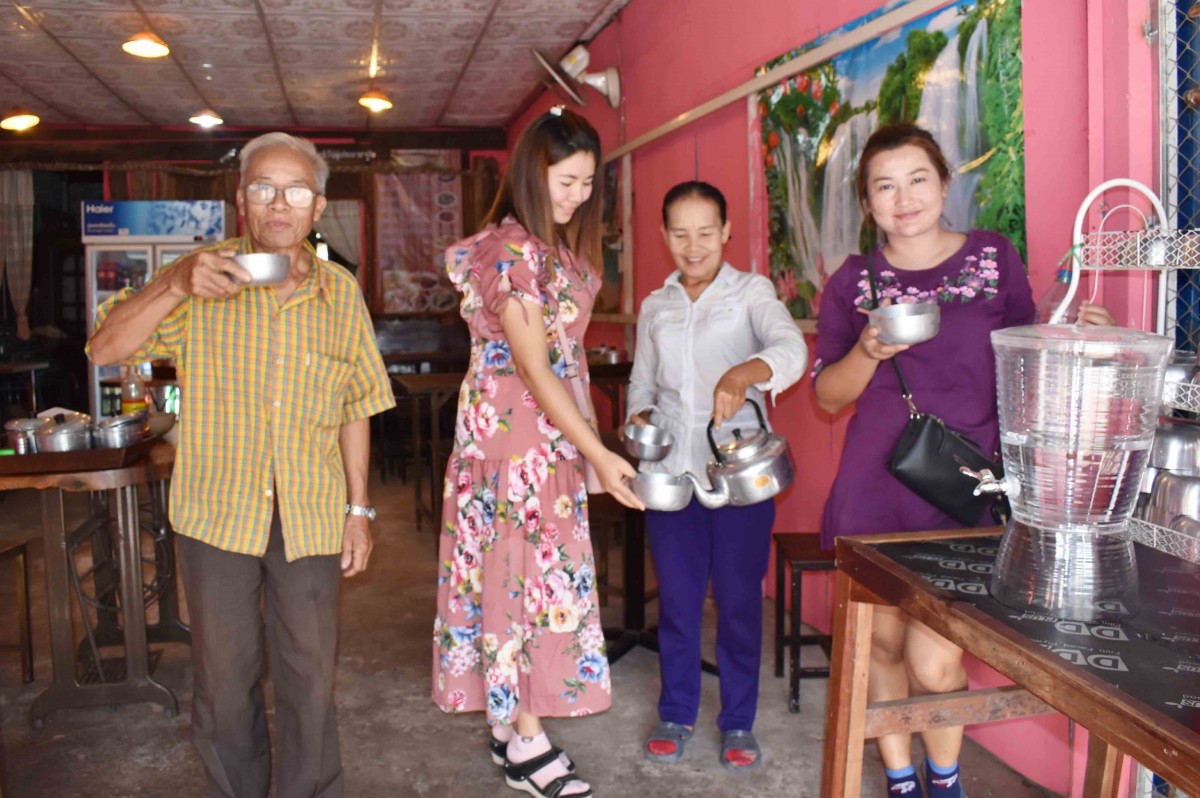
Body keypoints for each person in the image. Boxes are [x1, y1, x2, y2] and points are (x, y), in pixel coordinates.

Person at [87, 132, 394, 798]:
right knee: (225, 680)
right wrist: (173, 281)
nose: (278, 203)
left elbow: (357, 405)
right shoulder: (200, 278)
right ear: (240, 201)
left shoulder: (340, 294)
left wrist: (360, 510)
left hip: (311, 514)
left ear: (317, 208)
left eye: (295, 191)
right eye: (263, 188)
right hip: (217, 511)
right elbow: (104, 348)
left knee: (310, 678)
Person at [812, 123, 1112, 798]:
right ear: (867, 203)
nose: (904, 197)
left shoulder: (992, 258)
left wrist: (1071, 336)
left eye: (918, 179)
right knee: (881, 648)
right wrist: (868, 350)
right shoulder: (853, 283)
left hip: (967, 487)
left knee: (938, 657)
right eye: (884, 186)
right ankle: (900, 780)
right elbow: (827, 395)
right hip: (875, 488)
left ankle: (944, 781)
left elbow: (1025, 357)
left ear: (944, 183)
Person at [431, 107, 643, 798]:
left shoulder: (554, 254)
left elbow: (566, 363)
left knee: (531, 583)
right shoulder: (512, 253)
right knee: (519, 586)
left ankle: (509, 727)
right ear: (533, 171)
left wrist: (587, 450)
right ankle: (525, 738)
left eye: (587, 183)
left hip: (546, 443)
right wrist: (598, 451)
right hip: (509, 447)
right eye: (567, 179)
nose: (578, 194)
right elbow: (533, 365)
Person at [626, 181, 808, 771]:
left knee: (736, 602)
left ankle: (738, 721)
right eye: (680, 233)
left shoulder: (751, 293)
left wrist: (746, 370)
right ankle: (677, 712)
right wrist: (641, 415)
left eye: (706, 232)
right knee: (677, 603)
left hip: (739, 472)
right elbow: (643, 383)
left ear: (727, 232)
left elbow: (789, 346)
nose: (693, 245)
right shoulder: (657, 306)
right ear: (664, 236)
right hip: (673, 474)